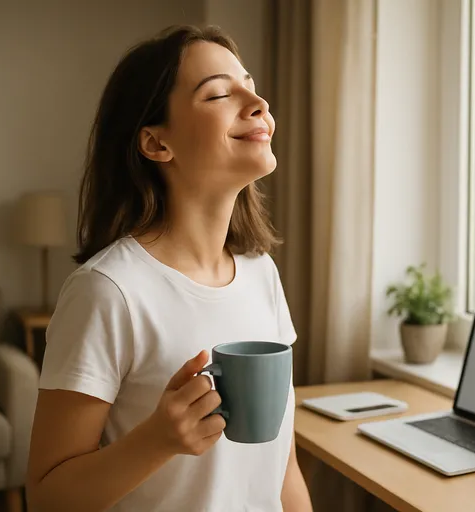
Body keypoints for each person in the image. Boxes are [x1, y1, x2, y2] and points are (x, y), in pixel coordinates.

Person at [26, 25, 312, 512]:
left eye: (250, 84)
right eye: (220, 92)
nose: (258, 101)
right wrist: (156, 440)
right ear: (157, 144)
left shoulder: (262, 272)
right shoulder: (108, 291)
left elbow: (281, 464)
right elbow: (48, 496)